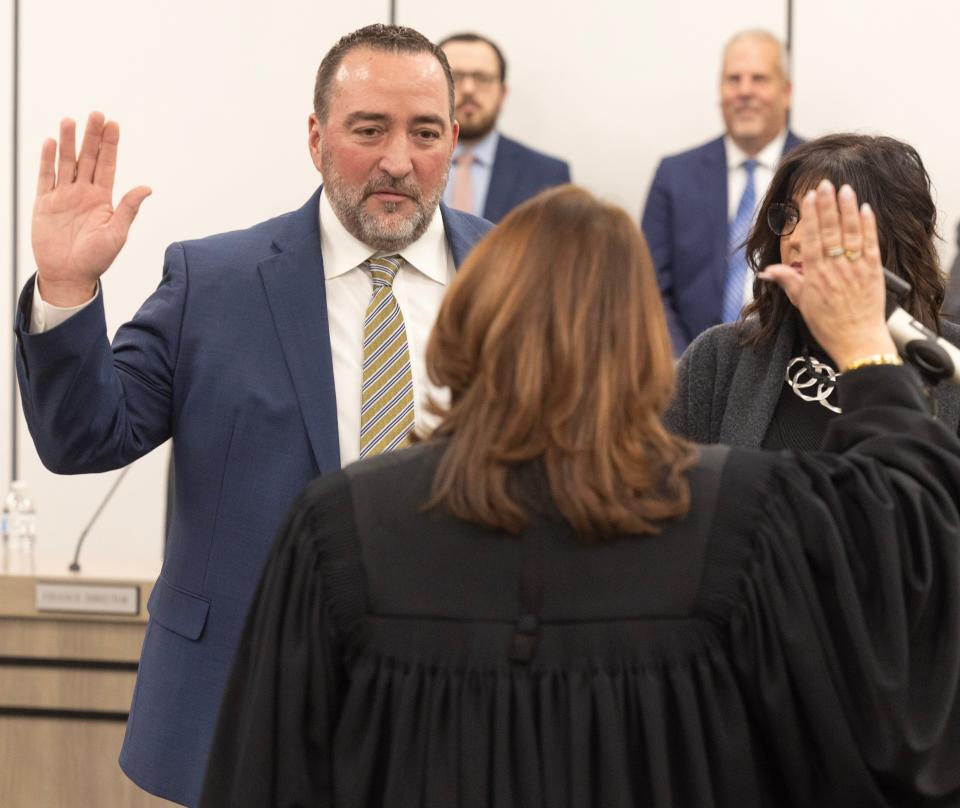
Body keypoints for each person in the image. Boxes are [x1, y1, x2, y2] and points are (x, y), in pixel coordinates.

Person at [200, 184, 960, 807]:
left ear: (470, 318)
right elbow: (909, 539)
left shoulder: (340, 525)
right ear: (642, 344)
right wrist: (865, 345)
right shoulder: (741, 515)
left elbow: (265, 776)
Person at [14, 24, 491, 808]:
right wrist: (66, 291)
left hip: (457, 716)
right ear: (315, 138)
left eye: (425, 132)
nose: (398, 161)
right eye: (368, 129)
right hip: (244, 711)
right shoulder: (215, 281)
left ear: (453, 138)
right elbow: (82, 436)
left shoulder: (512, 277)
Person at [666, 133, 960, 449]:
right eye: (790, 216)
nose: (795, 238)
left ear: (892, 238)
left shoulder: (952, 362)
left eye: (825, 219)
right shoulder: (719, 356)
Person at [642, 29, 803, 354]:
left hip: (791, 367)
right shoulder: (674, 175)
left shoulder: (819, 172)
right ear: (720, 91)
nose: (745, 91)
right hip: (687, 365)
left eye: (759, 79)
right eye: (734, 79)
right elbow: (648, 284)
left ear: (786, 92)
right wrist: (684, 364)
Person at [439, 32, 571, 222]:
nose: (468, 89)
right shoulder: (403, 165)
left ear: (503, 93)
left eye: (482, 78)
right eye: (455, 77)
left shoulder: (548, 175)